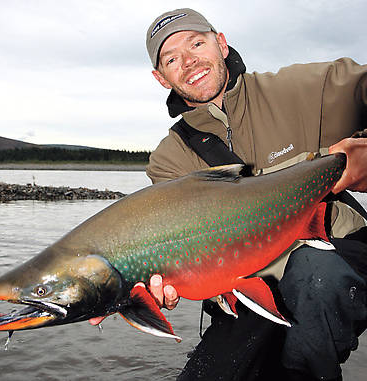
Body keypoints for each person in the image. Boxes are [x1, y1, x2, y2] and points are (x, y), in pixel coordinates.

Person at [142, 8, 367, 381]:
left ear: (221, 43)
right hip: (244, 286)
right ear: (161, 78)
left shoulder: (302, 89)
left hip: (336, 255)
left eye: (196, 43)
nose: (188, 61)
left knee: (314, 280)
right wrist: (170, 280)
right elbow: (190, 245)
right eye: (171, 59)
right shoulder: (168, 162)